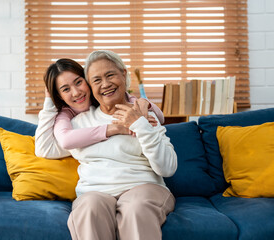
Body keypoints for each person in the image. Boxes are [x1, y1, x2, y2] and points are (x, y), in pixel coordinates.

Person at [38, 51, 178, 240]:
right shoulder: (78, 125)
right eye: (96, 80)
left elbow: (167, 168)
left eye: (110, 75)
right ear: (91, 86)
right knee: (89, 209)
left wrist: (140, 125)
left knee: (135, 209)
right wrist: (49, 101)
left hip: (144, 187)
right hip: (94, 192)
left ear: (124, 75)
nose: (105, 84)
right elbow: (46, 148)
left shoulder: (145, 116)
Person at [35, 58, 164, 159]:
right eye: (66, 89)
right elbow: (49, 147)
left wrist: (144, 103)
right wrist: (48, 101)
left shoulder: (106, 99)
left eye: (79, 82)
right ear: (59, 96)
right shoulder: (65, 114)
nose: (76, 93)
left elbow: (160, 118)